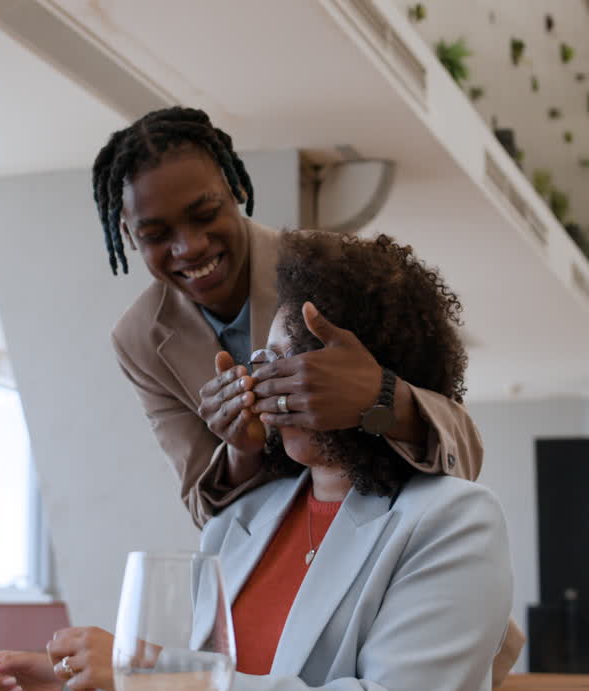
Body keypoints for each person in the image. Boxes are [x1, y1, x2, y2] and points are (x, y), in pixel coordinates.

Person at [0, 230, 513, 691]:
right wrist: (86, 686)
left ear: (353, 372)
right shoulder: (240, 520)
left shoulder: (454, 519)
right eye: (260, 362)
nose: (256, 382)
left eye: (281, 360)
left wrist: (145, 671)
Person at [94, 106, 484, 527]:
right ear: (128, 236)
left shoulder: (335, 264)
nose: (188, 246)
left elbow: (463, 450)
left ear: (237, 187)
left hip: (397, 527)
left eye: (205, 215)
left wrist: (381, 397)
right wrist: (242, 450)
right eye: (156, 235)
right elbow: (202, 508)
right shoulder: (139, 340)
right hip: (284, 549)